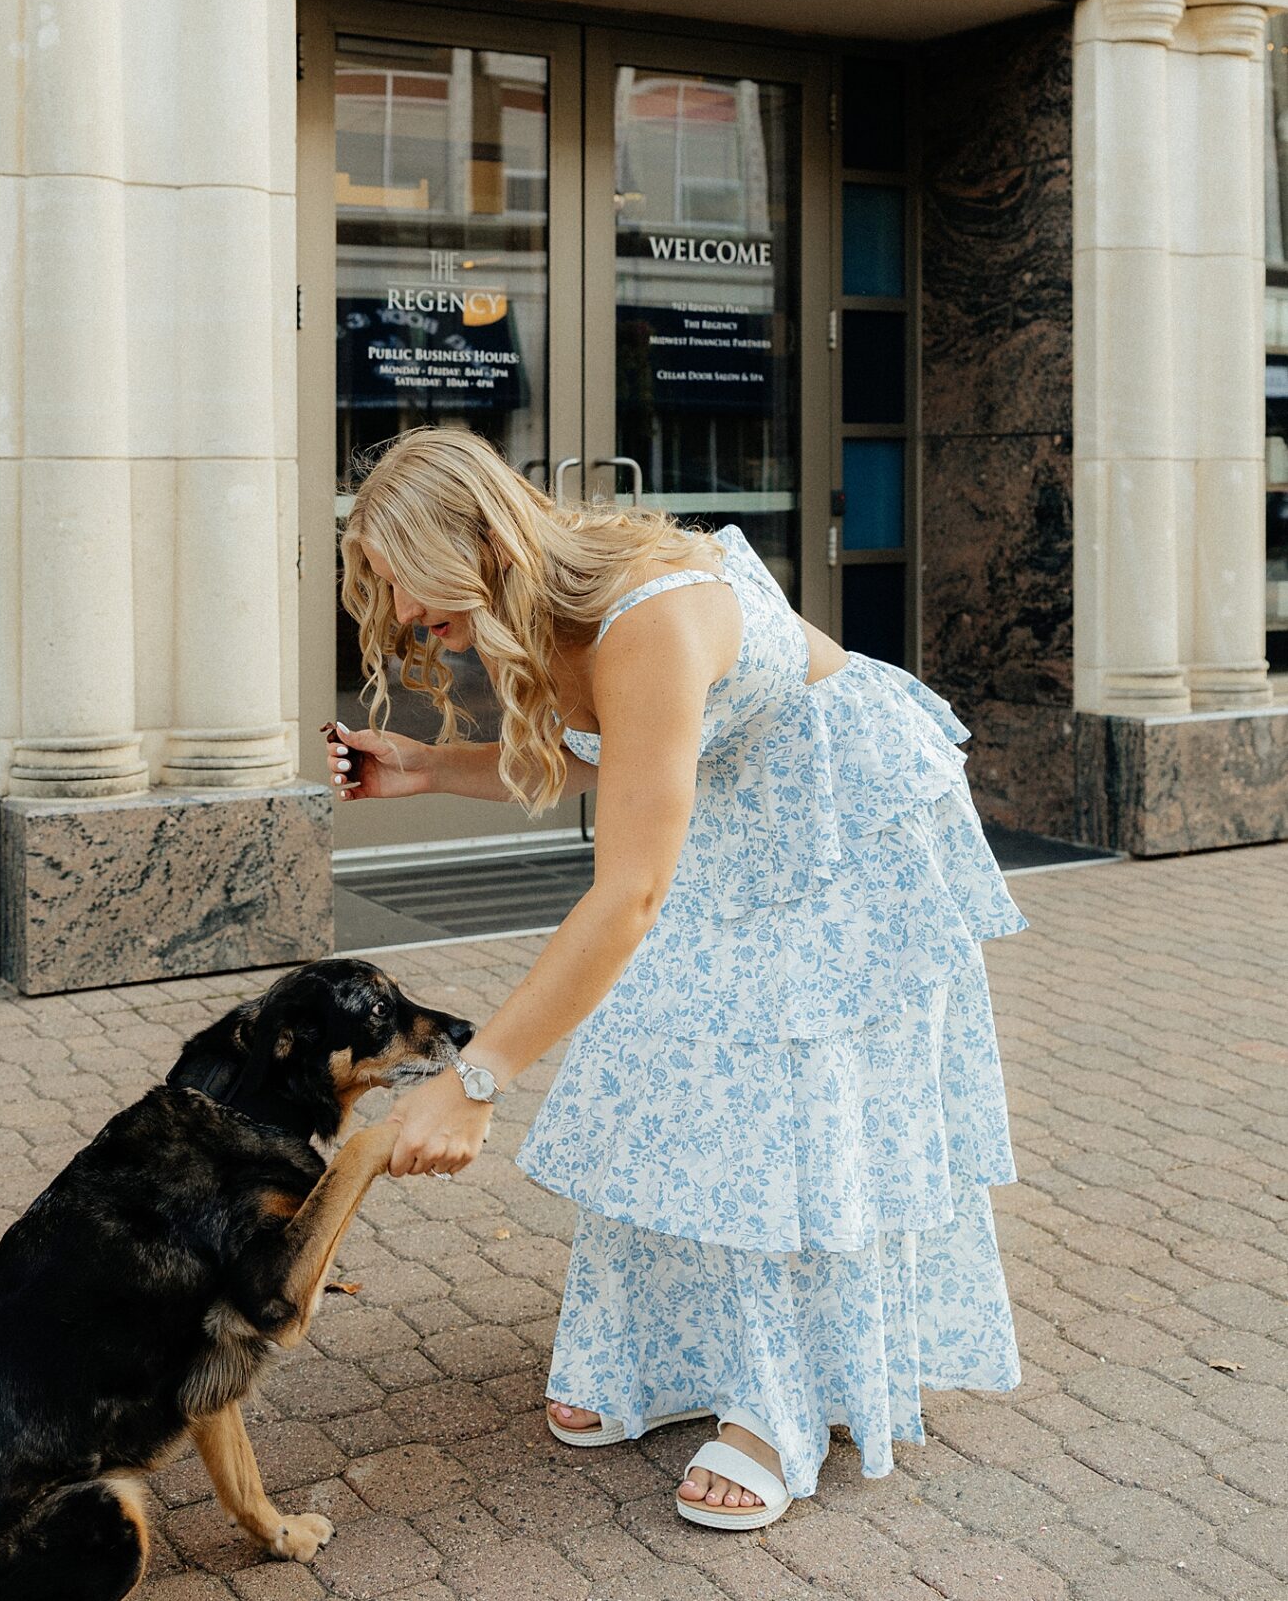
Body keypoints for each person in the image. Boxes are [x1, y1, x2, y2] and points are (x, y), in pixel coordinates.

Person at [326, 426, 1023, 1528]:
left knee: (766, 1103)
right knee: (654, 1054)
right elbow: (603, 755)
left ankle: (775, 1408)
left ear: (477, 545)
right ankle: (647, 1359)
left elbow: (629, 896)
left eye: (410, 585)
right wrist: (425, 768)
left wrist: (477, 1076)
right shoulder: (555, 605)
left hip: (844, 821)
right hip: (741, 809)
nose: (408, 617)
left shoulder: (642, 618)